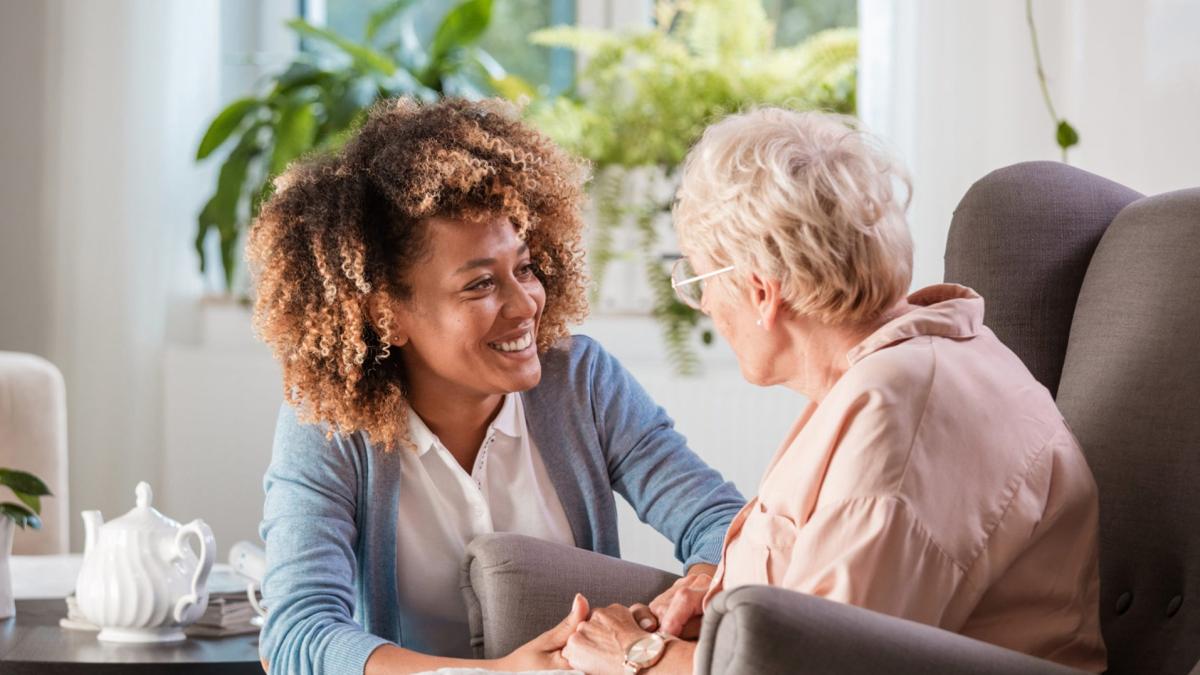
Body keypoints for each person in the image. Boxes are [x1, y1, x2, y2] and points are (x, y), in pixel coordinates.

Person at [561, 108, 1106, 674]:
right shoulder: (896, 372)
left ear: (760, 291)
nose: (704, 306)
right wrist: (722, 606)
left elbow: (822, 664)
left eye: (698, 282)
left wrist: (638, 656)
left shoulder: (899, 415)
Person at [247, 97, 744, 675]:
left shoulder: (581, 383)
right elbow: (298, 632)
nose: (525, 303)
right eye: (480, 284)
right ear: (386, 315)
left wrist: (692, 593)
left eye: (525, 267)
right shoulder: (330, 424)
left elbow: (721, 522)